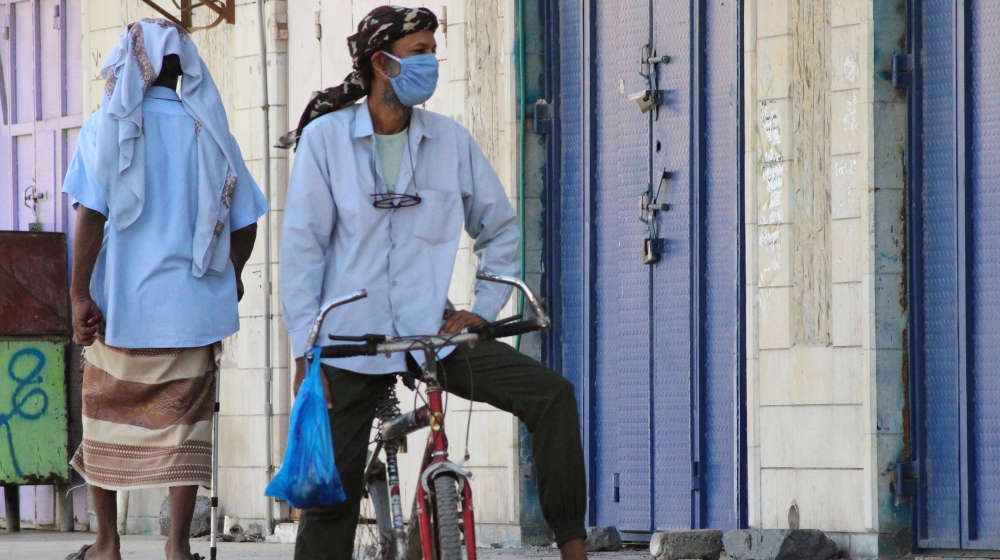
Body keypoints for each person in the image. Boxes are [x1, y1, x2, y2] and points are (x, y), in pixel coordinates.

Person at [279, 6, 587, 560]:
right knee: (331, 496)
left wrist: (482, 311)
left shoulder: (450, 141)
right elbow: (301, 253)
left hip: (432, 333)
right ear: (382, 62)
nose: (431, 63)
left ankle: (573, 548)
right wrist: (307, 350)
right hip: (350, 341)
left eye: (431, 51)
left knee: (553, 396)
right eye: (419, 52)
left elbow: (499, 229)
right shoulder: (325, 142)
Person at [63, 19, 267, 560]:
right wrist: (233, 274)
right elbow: (246, 221)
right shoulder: (211, 130)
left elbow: (90, 216)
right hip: (192, 312)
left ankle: (107, 544)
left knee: (104, 426)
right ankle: (178, 546)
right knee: (185, 430)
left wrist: (79, 295)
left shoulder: (104, 124)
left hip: (121, 312)